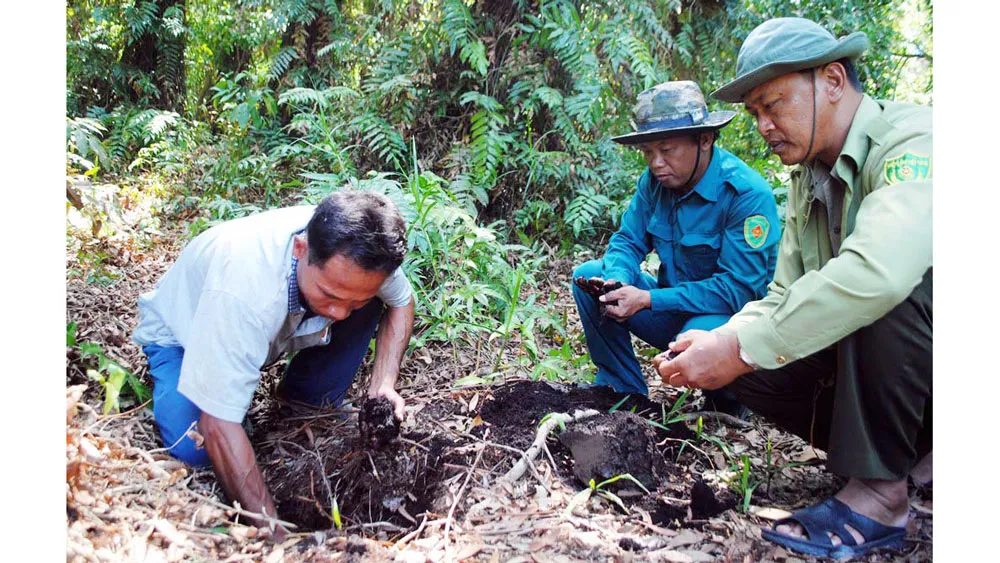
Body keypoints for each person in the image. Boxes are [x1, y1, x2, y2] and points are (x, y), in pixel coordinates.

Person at [654, 17, 932, 559]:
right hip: (909, 371)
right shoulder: (808, 179)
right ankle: (910, 453)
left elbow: (880, 271)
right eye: (754, 112)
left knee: (879, 288)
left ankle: (879, 494)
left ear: (831, 81)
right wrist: (724, 343)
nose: (762, 124)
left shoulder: (913, 140)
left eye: (772, 104)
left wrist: (738, 346)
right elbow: (783, 293)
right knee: (745, 356)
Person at [132, 191, 415, 539]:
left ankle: (306, 400)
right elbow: (217, 425)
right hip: (183, 338)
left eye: (353, 301)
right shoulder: (243, 286)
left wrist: (383, 385)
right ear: (300, 249)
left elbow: (402, 301)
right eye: (330, 294)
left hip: (271, 328)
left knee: (367, 303)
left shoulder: (365, 253)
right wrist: (277, 535)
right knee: (195, 446)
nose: (340, 314)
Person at [571, 80, 781, 416]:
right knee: (590, 278)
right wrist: (618, 280)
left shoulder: (745, 195)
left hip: (727, 325)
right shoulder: (655, 183)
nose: (655, 163)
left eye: (666, 150)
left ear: (705, 139)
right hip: (672, 311)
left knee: (694, 337)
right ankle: (620, 388)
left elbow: (739, 291)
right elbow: (627, 240)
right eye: (648, 152)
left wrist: (649, 299)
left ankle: (729, 400)